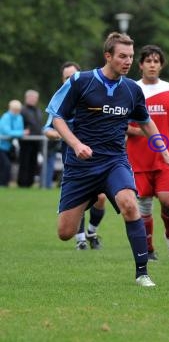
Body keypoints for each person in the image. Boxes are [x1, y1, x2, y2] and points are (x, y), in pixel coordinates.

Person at [45, 32, 169, 286]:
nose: (128, 61)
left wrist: (164, 152)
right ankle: (85, 200)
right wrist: (75, 144)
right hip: (81, 166)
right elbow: (56, 117)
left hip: (114, 161)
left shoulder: (131, 89)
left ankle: (142, 273)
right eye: (122, 56)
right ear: (108, 56)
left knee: (130, 203)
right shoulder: (81, 82)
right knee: (65, 232)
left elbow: (146, 122)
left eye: (130, 56)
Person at [126, 44, 169, 261]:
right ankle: (148, 248)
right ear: (141, 65)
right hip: (138, 157)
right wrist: (141, 131)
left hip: (166, 156)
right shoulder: (130, 89)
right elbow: (121, 122)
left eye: (156, 61)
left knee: (167, 200)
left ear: (161, 65)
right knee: (143, 204)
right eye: (148, 61)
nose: (152, 65)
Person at [44, 61, 107, 250]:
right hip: (72, 160)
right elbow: (48, 127)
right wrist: (61, 134)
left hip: (98, 158)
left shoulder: (91, 96)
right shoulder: (62, 100)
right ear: (61, 79)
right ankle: (80, 239)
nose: (70, 79)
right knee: (79, 199)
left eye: (73, 76)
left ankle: (91, 231)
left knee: (101, 198)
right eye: (66, 77)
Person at [18, 90, 43, 187]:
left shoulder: (38, 110)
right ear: (26, 98)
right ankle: (22, 183)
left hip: (36, 140)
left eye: (35, 98)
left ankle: (29, 183)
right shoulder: (22, 110)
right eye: (31, 97)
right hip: (25, 141)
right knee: (24, 162)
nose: (33, 99)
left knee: (33, 162)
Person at [0, 100, 26, 186]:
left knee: (8, 166)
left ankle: (5, 184)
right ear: (10, 109)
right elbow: (7, 132)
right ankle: (3, 184)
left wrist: (18, 133)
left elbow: (17, 131)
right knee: (6, 165)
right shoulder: (5, 117)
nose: (16, 112)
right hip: (1, 146)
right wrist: (21, 133)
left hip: (10, 147)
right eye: (14, 110)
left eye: (17, 110)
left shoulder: (19, 117)